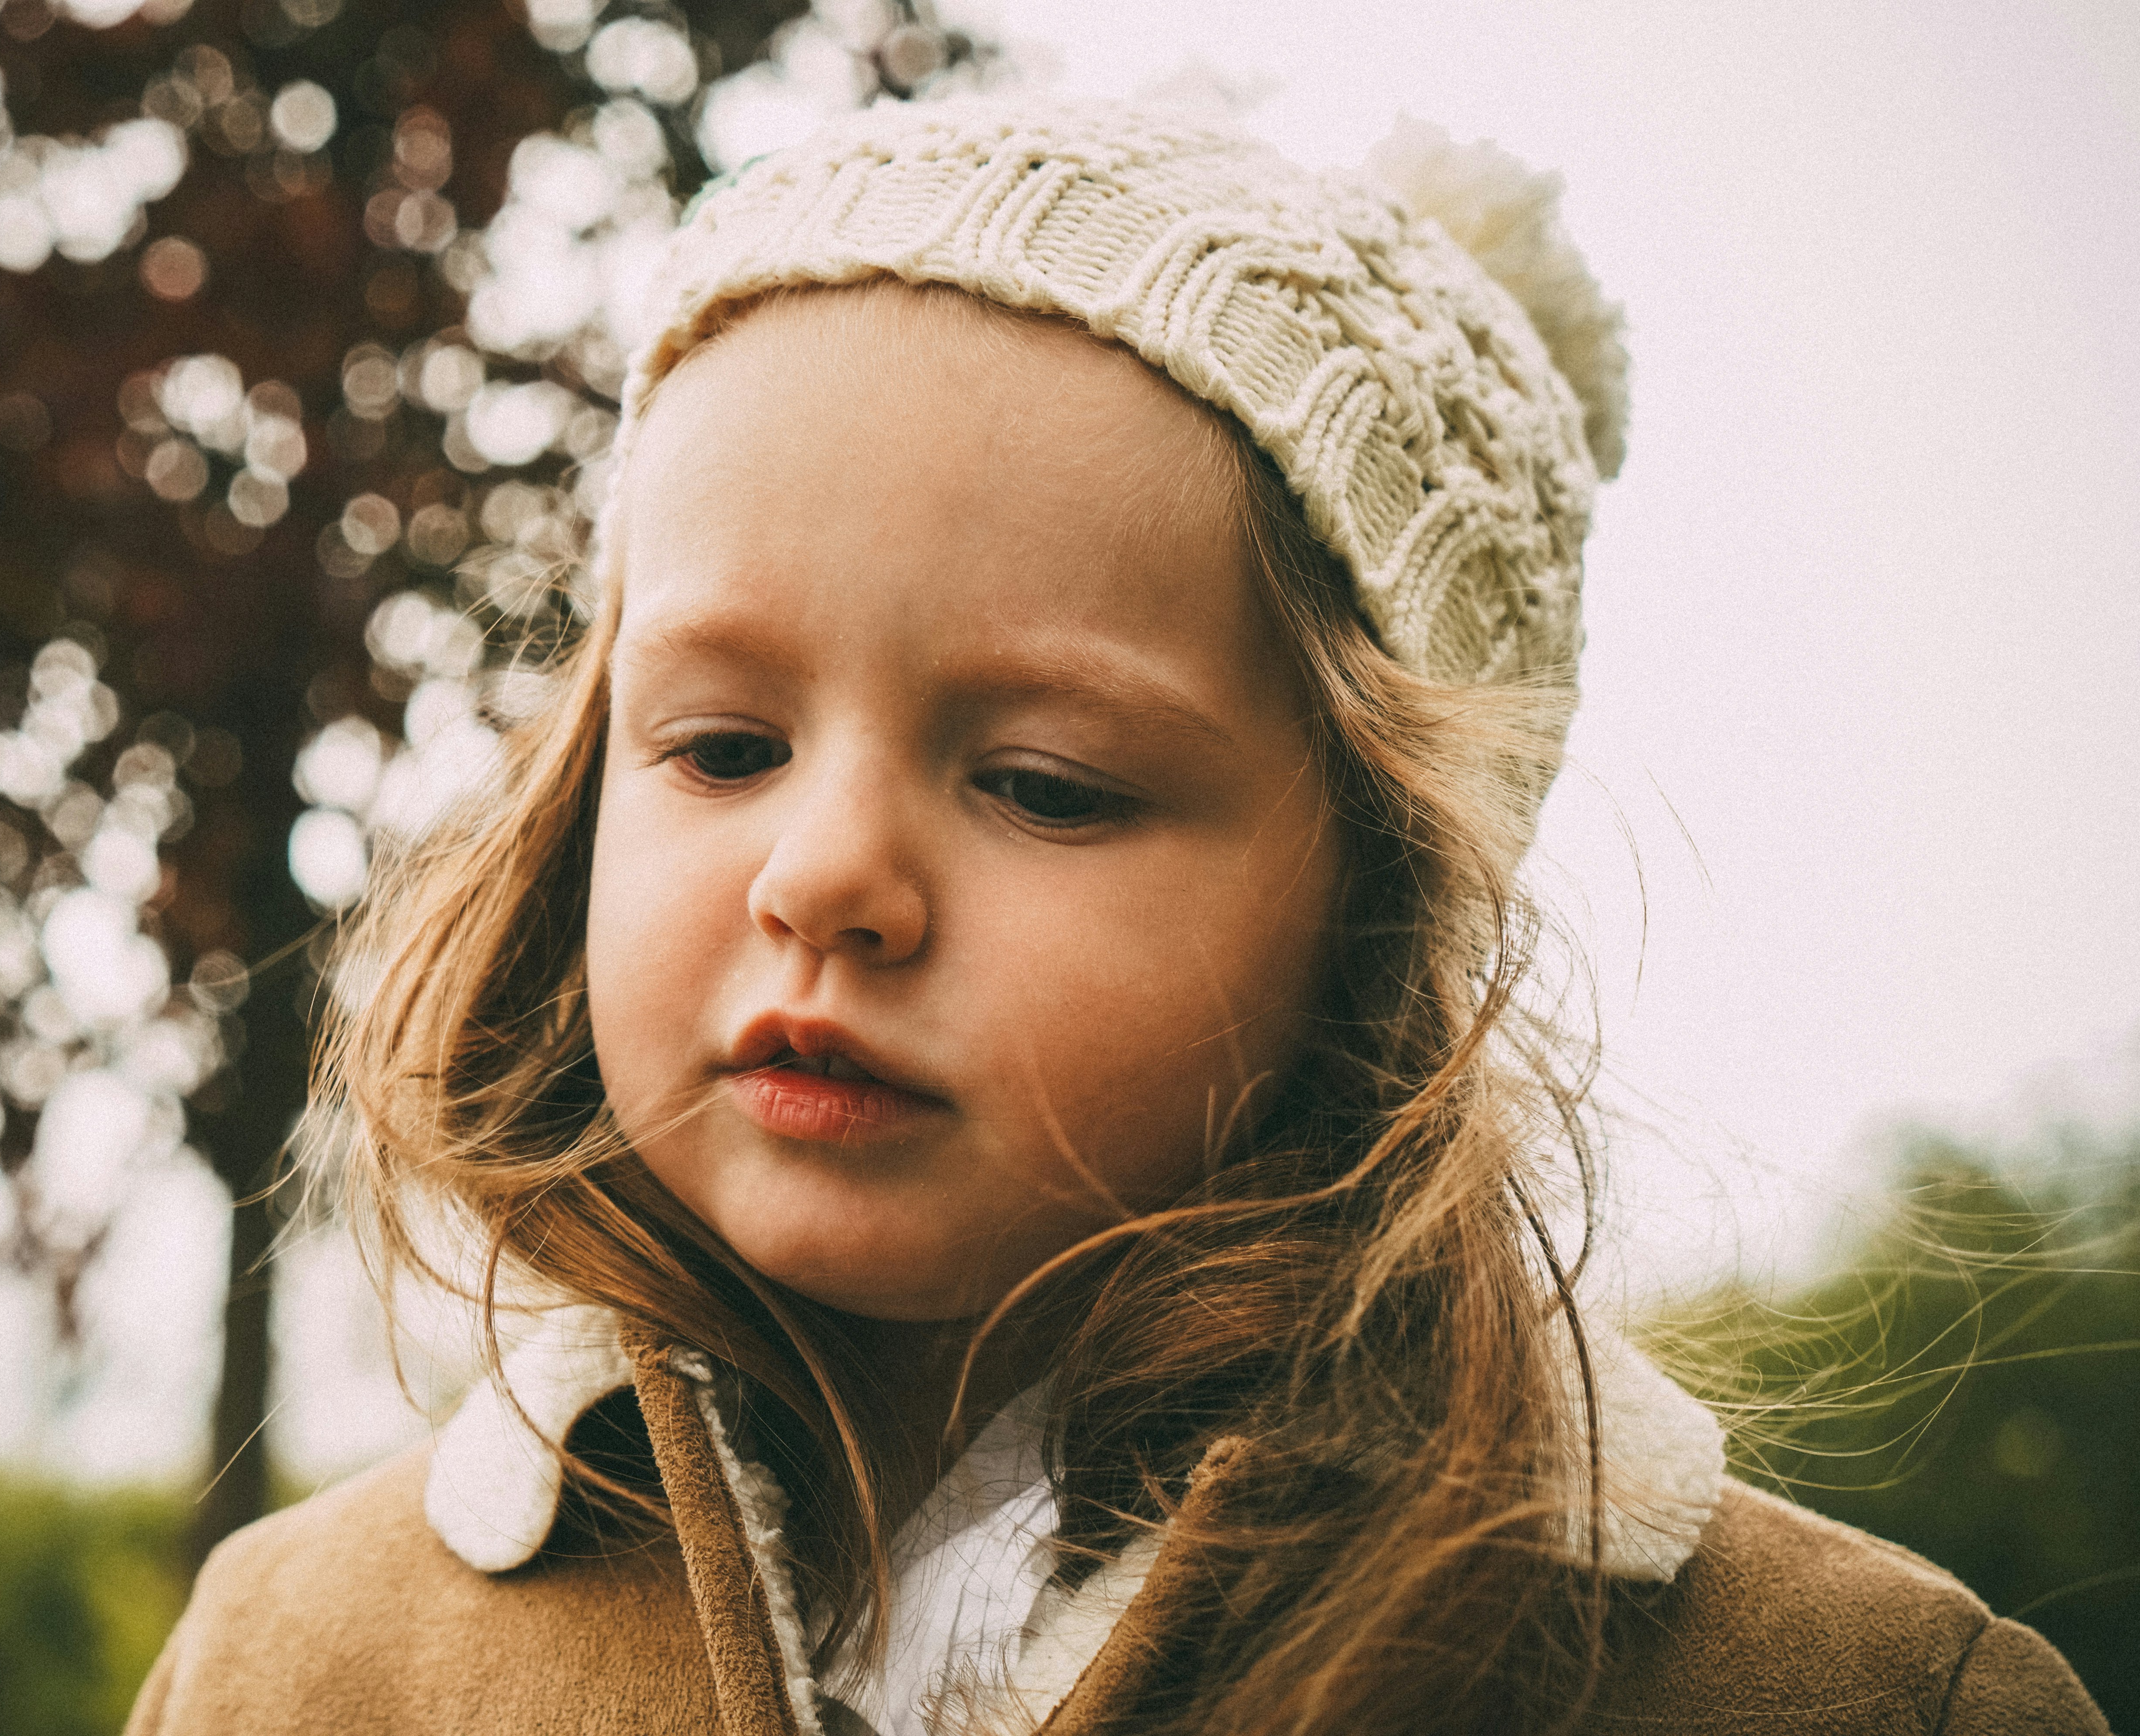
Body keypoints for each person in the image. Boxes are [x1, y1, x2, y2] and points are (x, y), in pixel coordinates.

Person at [124, 96, 2107, 1735]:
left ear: (1384, 912)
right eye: (722, 747)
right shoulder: (301, 1661)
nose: (821, 877)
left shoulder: (1834, 1695)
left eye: (1046, 784)